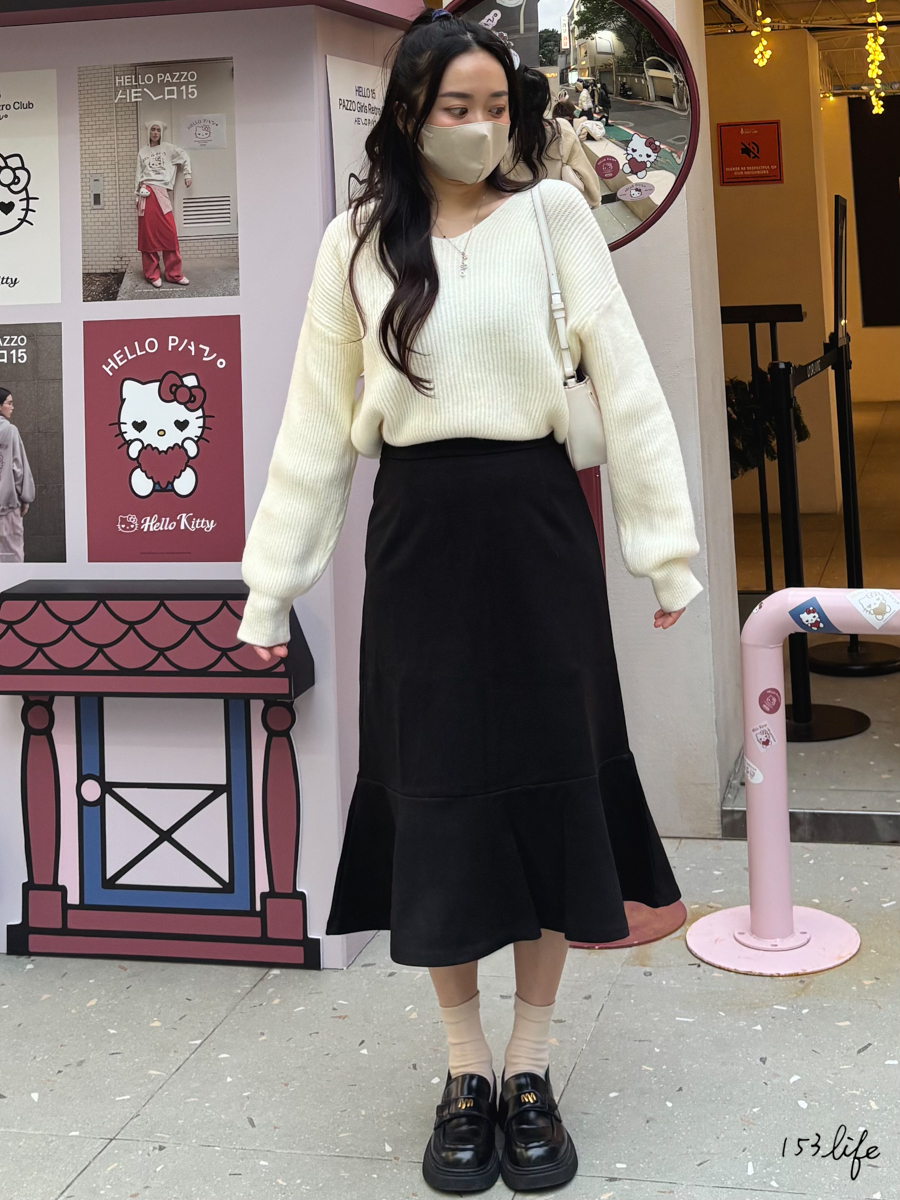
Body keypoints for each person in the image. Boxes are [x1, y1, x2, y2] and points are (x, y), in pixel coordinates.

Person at [238, 7, 702, 1194]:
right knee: (435, 793)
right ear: (409, 112)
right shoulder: (355, 243)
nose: (481, 127)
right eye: (458, 108)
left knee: (551, 784)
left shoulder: (554, 217)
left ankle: (530, 1065)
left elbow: (627, 380)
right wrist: (269, 590)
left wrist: (665, 551)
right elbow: (313, 427)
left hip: (539, 525)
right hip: (419, 538)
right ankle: (464, 1069)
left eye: (498, 107)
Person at [504, 67, 601, 208]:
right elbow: (591, 190)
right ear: (544, 100)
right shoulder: (561, 129)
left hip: (515, 213)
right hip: (556, 210)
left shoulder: (499, 135)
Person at [134, 121, 191, 289]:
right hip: (145, 192)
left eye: (158, 130)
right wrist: (136, 195)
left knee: (170, 234)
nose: (155, 132)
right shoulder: (142, 152)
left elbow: (184, 156)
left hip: (162, 191)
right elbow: (138, 174)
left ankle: (174, 274)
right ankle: (152, 275)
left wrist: (187, 174)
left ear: (161, 133)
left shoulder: (168, 149)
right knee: (148, 237)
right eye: (152, 129)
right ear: (148, 132)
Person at [0, 388, 35, 563]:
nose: (12, 407)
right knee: (13, 553)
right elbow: (18, 467)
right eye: (9, 403)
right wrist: (25, 498)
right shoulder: (10, 430)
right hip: (8, 503)